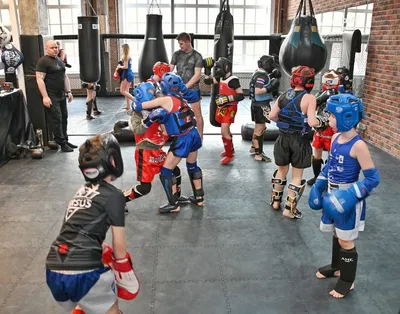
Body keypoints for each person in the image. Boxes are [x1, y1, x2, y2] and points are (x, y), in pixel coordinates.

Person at [45, 133, 140, 313]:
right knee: (111, 310)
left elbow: (72, 228)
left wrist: (100, 248)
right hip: (84, 271)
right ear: (113, 161)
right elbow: (119, 247)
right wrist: (123, 269)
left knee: (84, 306)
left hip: (53, 267)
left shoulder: (80, 191)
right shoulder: (115, 196)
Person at [308, 93, 380, 299]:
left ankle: (348, 281)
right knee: (336, 234)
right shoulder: (335, 137)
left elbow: (373, 179)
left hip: (348, 196)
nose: (328, 118)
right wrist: (319, 184)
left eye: (330, 115)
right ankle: (337, 267)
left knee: (346, 241)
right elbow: (331, 164)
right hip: (332, 191)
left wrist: (350, 195)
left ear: (345, 117)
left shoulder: (359, 146)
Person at [131, 72, 203, 214]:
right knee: (192, 166)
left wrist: (136, 103)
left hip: (183, 138)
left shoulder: (165, 100)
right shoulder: (180, 97)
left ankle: (173, 204)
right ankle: (199, 197)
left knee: (165, 171)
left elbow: (141, 105)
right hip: (194, 134)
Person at [268, 65, 322, 219]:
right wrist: (322, 121)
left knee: (281, 170)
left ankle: (275, 202)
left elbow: (272, 116)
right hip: (300, 140)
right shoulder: (309, 98)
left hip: (282, 138)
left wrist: (285, 122)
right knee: (297, 175)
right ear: (309, 81)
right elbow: (312, 122)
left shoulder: (283, 95)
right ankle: (289, 209)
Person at [126, 81, 190, 208]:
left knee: (173, 170)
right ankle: (120, 200)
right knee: (145, 188)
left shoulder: (157, 109)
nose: (153, 97)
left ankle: (175, 197)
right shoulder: (136, 114)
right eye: (151, 94)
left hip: (158, 151)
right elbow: (138, 130)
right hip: (144, 153)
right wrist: (150, 119)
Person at [36, 40, 76, 152]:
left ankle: (65, 139)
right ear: (46, 48)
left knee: (64, 118)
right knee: (56, 119)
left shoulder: (59, 60)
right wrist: (45, 96)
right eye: (52, 48)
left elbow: (65, 76)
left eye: (56, 47)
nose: (55, 49)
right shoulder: (43, 61)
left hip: (61, 94)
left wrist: (68, 91)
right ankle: (61, 143)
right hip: (51, 95)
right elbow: (39, 79)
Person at [203, 57, 244, 164]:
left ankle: (230, 156)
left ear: (226, 67)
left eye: (218, 68)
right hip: (222, 108)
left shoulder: (233, 80)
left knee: (224, 130)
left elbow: (241, 95)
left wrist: (228, 98)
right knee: (226, 130)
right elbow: (207, 81)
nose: (217, 71)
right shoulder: (221, 78)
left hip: (230, 108)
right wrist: (207, 70)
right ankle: (230, 149)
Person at [307, 70, 340, 185]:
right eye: (327, 84)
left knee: (332, 154)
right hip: (320, 127)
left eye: (331, 85)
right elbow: (314, 105)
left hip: (332, 128)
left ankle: (329, 178)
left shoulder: (339, 97)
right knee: (317, 152)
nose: (329, 87)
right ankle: (317, 177)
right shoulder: (320, 94)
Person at [170, 32, 204, 138]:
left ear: (188, 42)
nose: (180, 46)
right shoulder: (176, 54)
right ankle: (180, 134)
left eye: (181, 44)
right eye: (179, 44)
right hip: (178, 89)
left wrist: (186, 86)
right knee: (177, 112)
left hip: (192, 89)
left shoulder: (197, 56)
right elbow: (169, 70)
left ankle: (200, 136)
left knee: (197, 113)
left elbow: (197, 75)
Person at [248, 55, 281, 162]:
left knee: (258, 127)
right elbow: (258, 90)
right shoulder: (262, 76)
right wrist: (269, 87)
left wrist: (270, 76)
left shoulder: (258, 73)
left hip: (256, 104)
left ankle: (253, 148)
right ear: (267, 64)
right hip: (261, 105)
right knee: (260, 128)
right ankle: (258, 154)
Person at [116, 43, 134, 110]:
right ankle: (128, 106)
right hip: (129, 73)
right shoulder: (128, 55)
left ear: (124, 49)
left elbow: (125, 67)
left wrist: (119, 66)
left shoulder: (125, 56)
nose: (121, 49)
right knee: (126, 91)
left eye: (122, 48)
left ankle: (135, 100)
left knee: (122, 91)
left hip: (126, 74)